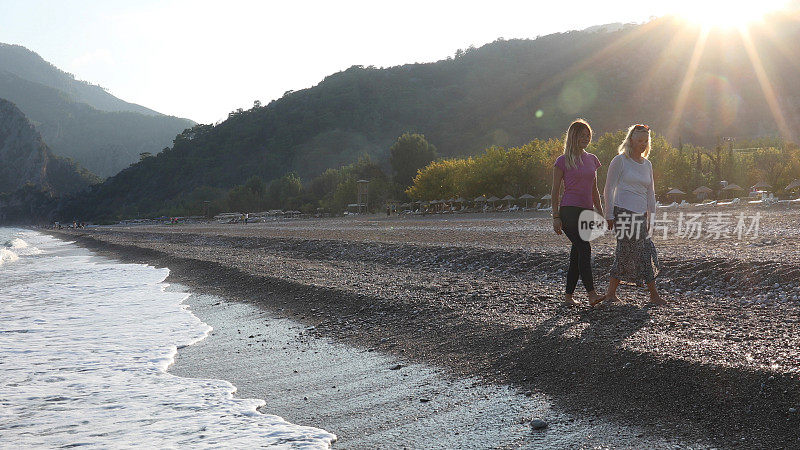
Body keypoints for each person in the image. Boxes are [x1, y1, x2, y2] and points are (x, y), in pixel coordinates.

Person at [595, 123, 665, 306]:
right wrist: (609, 214)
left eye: (646, 140)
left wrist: (652, 217)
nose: (643, 144)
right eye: (639, 140)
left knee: (629, 252)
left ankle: (611, 293)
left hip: (640, 214)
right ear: (631, 140)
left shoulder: (647, 164)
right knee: (639, 251)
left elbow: (651, 192)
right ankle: (653, 295)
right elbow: (608, 188)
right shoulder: (620, 160)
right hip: (623, 212)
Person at [551, 119, 605, 306]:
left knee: (577, 254)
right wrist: (556, 216)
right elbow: (555, 191)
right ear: (573, 137)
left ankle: (568, 297)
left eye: (588, 135)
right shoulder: (562, 161)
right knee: (584, 247)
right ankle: (591, 294)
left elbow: (594, 189)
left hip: (587, 212)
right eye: (582, 135)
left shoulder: (592, 160)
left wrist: (600, 211)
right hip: (569, 211)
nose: (586, 138)